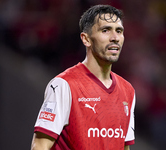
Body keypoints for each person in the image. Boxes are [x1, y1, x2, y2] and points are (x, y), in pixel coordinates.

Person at [31, 4, 136, 150]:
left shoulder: (128, 91)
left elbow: (124, 147)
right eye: (105, 30)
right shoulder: (64, 85)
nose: (115, 38)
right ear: (86, 39)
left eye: (119, 31)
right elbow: (40, 146)